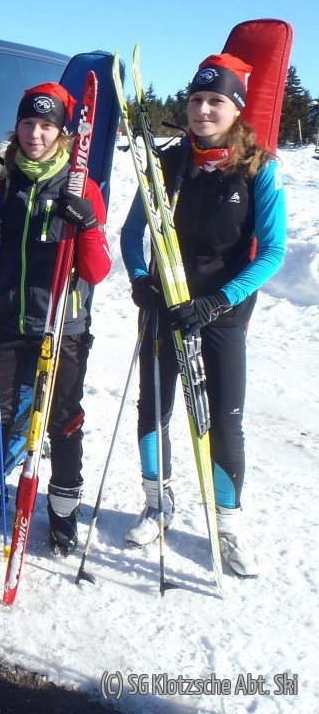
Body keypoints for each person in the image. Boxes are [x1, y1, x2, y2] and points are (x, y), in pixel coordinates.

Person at [120, 54, 286, 578]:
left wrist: (219, 301)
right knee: (154, 409)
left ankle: (227, 523)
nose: (203, 110)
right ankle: (157, 503)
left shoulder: (259, 168)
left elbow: (273, 252)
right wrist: (141, 280)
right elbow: (131, 234)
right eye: (196, 99)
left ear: (236, 109)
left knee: (224, 420)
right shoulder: (166, 164)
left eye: (216, 101)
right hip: (165, 308)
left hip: (221, 315)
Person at [0, 83, 111, 556]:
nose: (35, 134)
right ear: (17, 125)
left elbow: (97, 271)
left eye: (46, 126)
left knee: (63, 420)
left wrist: (86, 225)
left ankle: (63, 512)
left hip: (62, 324)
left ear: (62, 132)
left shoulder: (81, 186)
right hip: (5, 319)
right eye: (28, 123)